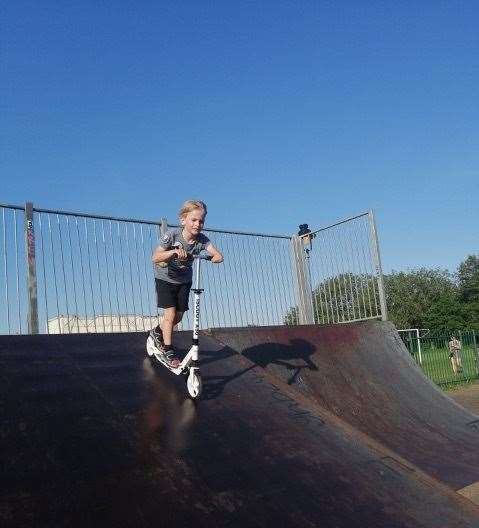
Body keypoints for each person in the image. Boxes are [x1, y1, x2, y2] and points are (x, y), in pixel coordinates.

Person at [149, 200, 223, 367]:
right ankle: (166, 348)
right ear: (183, 220)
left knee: (179, 316)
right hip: (165, 278)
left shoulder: (202, 240)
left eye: (201, 221)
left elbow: (218, 255)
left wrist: (213, 257)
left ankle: (156, 332)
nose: (198, 224)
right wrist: (174, 252)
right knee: (170, 313)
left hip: (184, 280)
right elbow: (155, 257)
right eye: (194, 220)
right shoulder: (172, 236)